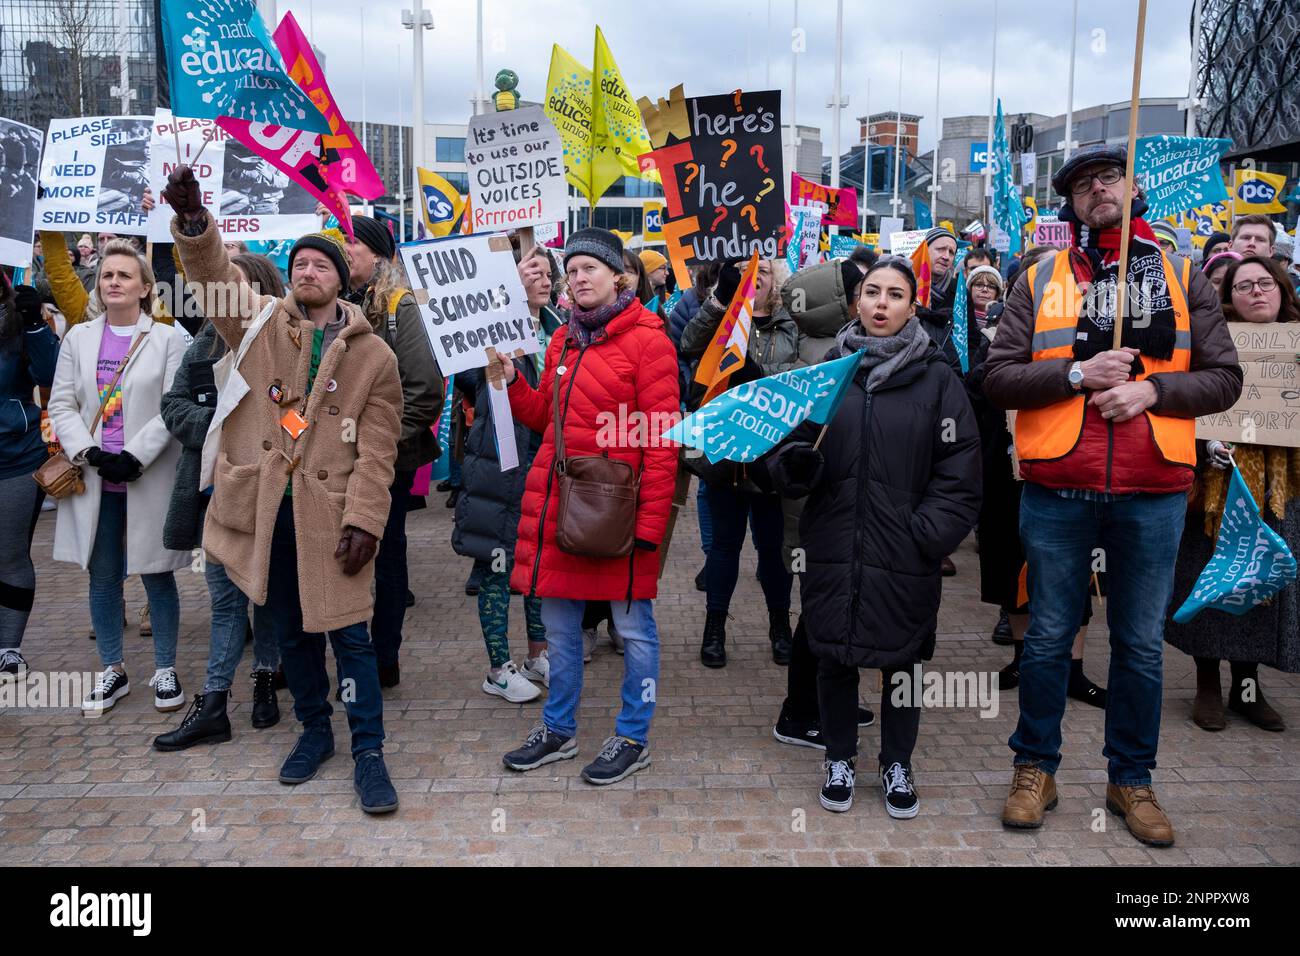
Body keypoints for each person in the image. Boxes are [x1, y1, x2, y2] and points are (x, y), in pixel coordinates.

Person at [984, 144, 1244, 847]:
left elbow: (1225, 379)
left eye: (1109, 178)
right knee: (1044, 639)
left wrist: (1153, 389)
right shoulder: (1036, 281)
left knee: (1138, 646)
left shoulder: (1185, 275)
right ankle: (1034, 767)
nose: (1098, 190)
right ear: (1069, 205)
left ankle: (1132, 777)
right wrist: (1075, 375)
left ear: (1134, 190)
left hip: (1153, 488)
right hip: (1057, 488)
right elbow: (998, 377)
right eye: (1083, 185)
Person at [164, 165, 404, 815]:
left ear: (344, 277)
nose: (307, 270)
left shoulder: (374, 357)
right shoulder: (262, 326)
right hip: (274, 514)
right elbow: (214, 282)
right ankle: (314, 732)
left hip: (336, 521)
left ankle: (369, 750)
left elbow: (379, 453)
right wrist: (194, 224)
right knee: (293, 635)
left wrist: (367, 522)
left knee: (350, 638)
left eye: (322, 264)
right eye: (298, 262)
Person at [762, 257, 981, 816]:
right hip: (833, 543)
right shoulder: (828, 372)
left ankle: (897, 762)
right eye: (872, 293)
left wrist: (926, 535)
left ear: (913, 307)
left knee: (903, 662)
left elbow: (959, 472)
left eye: (896, 295)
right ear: (856, 302)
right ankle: (839, 756)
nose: (882, 304)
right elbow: (793, 445)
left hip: (904, 551)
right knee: (833, 655)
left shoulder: (938, 380)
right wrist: (794, 468)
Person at [492, 227, 679, 785]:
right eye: (570, 271)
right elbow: (544, 419)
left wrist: (648, 528)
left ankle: (632, 736)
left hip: (619, 517)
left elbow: (663, 441)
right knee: (561, 630)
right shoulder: (563, 340)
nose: (576, 279)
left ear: (619, 276)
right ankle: (558, 730)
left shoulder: (650, 339)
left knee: (636, 629)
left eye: (588, 270)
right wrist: (509, 384)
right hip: (561, 511)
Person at [47, 239, 189, 716]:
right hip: (94, 479)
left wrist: (134, 455)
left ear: (146, 288)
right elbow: (62, 403)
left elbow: (173, 406)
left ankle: (165, 669)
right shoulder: (78, 338)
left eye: (125, 276)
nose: (114, 283)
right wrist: (84, 449)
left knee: (156, 573)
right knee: (102, 576)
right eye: (108, 275)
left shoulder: (168, 339)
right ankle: (113, 669)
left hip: (144, 477)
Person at [153, 255, 287, 751]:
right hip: (214, 490)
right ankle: (213, 702)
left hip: (267, 490)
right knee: (226, 599)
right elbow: (173, 404)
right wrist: (217, 424)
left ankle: (266, 679)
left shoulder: (283, 340)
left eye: (240, 284)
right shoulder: (205, 341)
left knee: (264, 592)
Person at [963, 249, 1108, 705]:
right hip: (1009, 466)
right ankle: (1024, 657)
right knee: (1010, 561)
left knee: (1075, 568)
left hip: (1069, 462)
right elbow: (981, 386)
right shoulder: (996, 333)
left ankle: (1073, 667)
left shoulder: (1091, 330)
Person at [1167, 255, 1300, 733]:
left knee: (1260, 584)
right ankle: (1207, 684)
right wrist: (1207, 444)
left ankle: (1248, 687)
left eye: (1266, 283)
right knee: (1213, 577)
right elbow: (1190, 399)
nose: (1256, 292)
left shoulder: (1297, 344)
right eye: (1244, 286)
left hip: (1279, 485)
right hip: (1218, 492)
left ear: (1283, 289)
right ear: (1230, 296)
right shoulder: (1213, 342)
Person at [454, 246, 562, 702]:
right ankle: (498, 667)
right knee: (498, 566)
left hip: (544, 459)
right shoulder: (489, 328)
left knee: (538, 564)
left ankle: (538, 653)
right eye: (530, 270)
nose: (542, 278)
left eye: (546, 271)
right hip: (501, 464)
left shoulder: (558, 325)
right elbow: (464, 378)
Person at [680, 258, 800, 667]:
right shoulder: (725, 317)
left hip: (773, 455)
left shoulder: (792, 321)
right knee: (723, 548)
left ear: (777, 278)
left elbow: (803, 374)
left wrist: (759, 374)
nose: (756, 274)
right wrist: (721, 299)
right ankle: (714, 627)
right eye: (747, 269)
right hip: (726, 453)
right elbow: (687, 344)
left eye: (763, 268)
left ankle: (780, 625)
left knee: (772, 548)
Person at [343, 215, 444, 688]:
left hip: (389, 459)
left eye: (351, 243)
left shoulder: (403, 307)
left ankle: (384, 656)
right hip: (338, 461)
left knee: (385, 553)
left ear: (378, 255)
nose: (343, 251)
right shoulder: (336, 306)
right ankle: (351, 652)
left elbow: (423, 392)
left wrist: (375, 442)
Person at [0, 281, 59, 677]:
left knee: (9, 555)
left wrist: (35, 322)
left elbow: (51, 372)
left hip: (15, 459)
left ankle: (8, 648)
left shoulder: (21, 319)